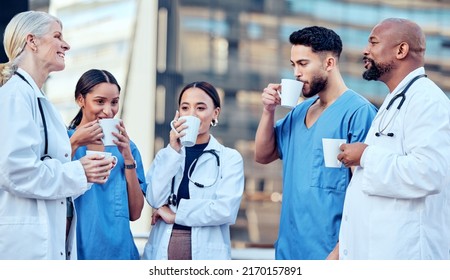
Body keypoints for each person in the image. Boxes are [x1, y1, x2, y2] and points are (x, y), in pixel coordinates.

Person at [254, 26, 377, 260]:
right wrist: (268, 111)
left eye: (303, 63)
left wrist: (340, 253)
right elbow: (262, 155)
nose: (296, 73)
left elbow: (368, 193)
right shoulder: (298, 113)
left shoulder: (359, 113)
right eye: (293, 65)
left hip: (330, 255)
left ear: (329, 63)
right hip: (288, 253)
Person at [0, 11, 114, 260]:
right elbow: (15, 171)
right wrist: (79, 171)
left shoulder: (39, 101)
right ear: (32, 41)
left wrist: (87, 171)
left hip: (47, 243)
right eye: (57, 36)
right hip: (24, 248)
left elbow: (50, 172)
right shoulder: (14, 96)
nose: (66, 44)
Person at [338, 18, 450, 260]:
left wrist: (365, 155)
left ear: (401, 50)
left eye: (374, 42)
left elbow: (430, 172)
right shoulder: (396, 100)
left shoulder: (427, 100)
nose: (365, 50)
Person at [142, 81, 244, 260]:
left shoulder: (229, 158)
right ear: (178, 114)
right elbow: (154, 198)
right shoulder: (167, 155)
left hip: (206, 255)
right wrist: (173, 150)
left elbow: (224, 210)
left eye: (200, 108)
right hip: (162, 250)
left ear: (215, 113)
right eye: (185, 108)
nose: (192, 115)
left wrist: (175, 216)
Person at [67, 69, 146, 259]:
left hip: (121, 255)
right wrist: (74, 143)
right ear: (80, 100)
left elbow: (135, 213)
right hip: (78, 253)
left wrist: (127, 158)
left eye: (114, 102)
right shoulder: (63, 141)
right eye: (100, 101)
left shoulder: (128, 148)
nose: (108, 111)